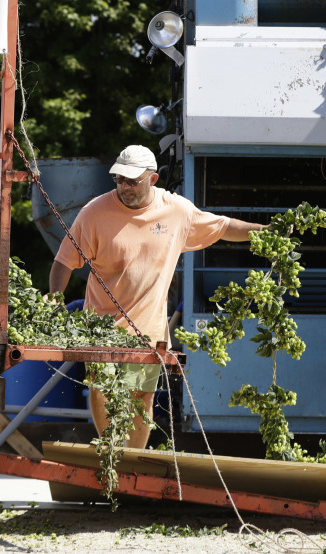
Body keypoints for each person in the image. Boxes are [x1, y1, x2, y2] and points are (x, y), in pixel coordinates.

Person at [49, 145, 264, 449]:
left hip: (147, 331)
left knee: (141, 397)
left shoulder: (176, 210)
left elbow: (224, 227)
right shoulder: (95, 213)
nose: (124, 187)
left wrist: (265, 232)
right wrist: (56, 298)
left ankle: (133, 462)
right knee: (102, 388)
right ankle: (111, 452)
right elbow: (64, 261)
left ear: (153, 178)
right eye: (119, 179)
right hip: (100, 328)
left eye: (132, 181)